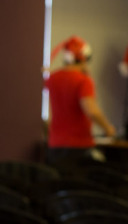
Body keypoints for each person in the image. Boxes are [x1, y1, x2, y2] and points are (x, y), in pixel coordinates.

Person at [44, 35, 116, 164]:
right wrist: (108, 128)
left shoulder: (52, 78)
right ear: (83, 58)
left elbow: (50, 114)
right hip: (78, 146)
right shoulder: (83, 81)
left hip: (55, 145)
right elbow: (91, 110)